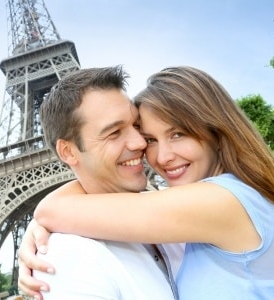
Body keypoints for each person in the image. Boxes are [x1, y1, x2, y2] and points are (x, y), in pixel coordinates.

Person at [19, 66, 274, 299]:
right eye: (150, 137)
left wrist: (42, 218)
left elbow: (54, 210)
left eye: (178, 134)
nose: (148, 149)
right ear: (68, 151)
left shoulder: (223, 202)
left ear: (216, 131)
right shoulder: (75, 255)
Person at [19, 66, 180, 299]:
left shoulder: (176, 210)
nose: (139, 142)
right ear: (68, 151)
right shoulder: (69, 256)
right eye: (114, 133)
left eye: (136, 126)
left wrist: (45, 213)